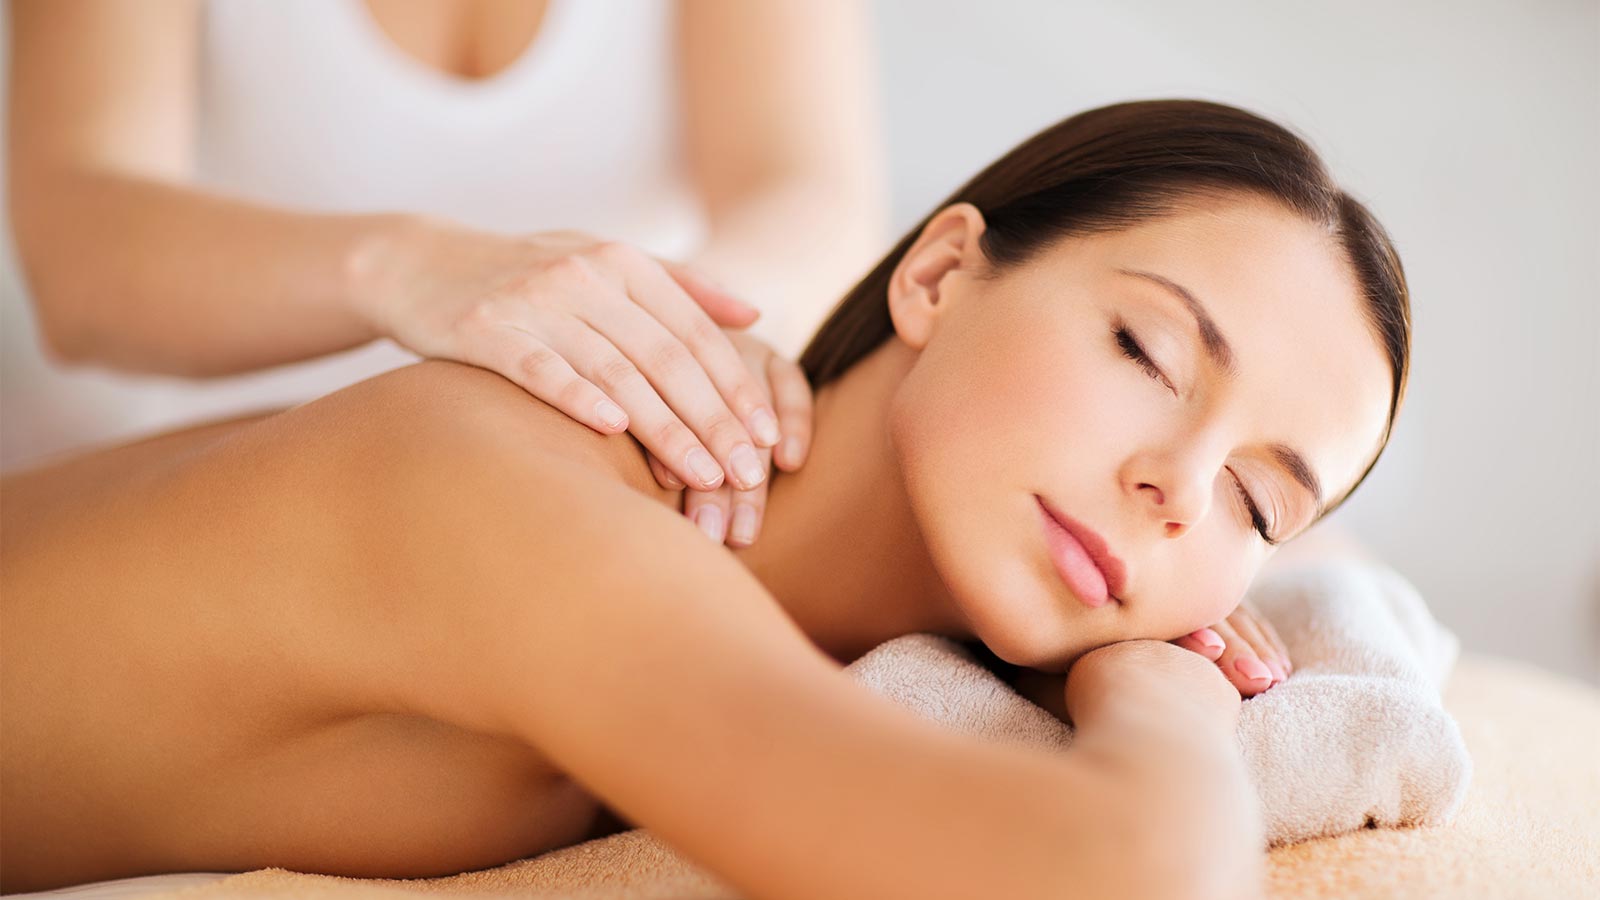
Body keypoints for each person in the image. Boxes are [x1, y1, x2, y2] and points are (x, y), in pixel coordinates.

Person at [0, 99, 1410, 899]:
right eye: (1146, 352)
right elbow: (1122, 878)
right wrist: (1165, 700)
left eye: (1257, 504)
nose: (1177, 487)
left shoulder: (770, 612)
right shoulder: (518, 495)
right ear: (936, 275)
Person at [4, 0, 889, 546]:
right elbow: (80, 262)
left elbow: (811, 197)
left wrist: (673, 338)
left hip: (580, 472)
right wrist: (406, 268)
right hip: (228, 485)